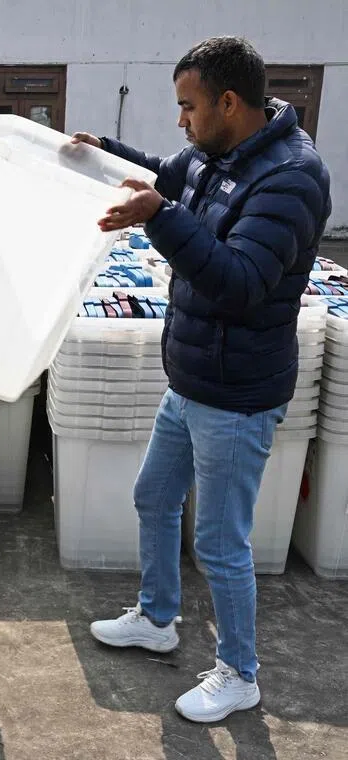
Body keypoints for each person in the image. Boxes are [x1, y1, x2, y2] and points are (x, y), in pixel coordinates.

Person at [74, 36, 330, 723]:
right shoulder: (216, 153)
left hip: (238, 395)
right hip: (190, 379)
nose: (181, 120)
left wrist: (159, 217)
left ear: (229, 102)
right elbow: (167, 173)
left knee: (220, 541)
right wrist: (104, 152)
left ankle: (239, 673)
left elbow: (240, 283)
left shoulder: (291, 178)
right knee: (154, 496)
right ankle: (158, 619)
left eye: (189, 107)